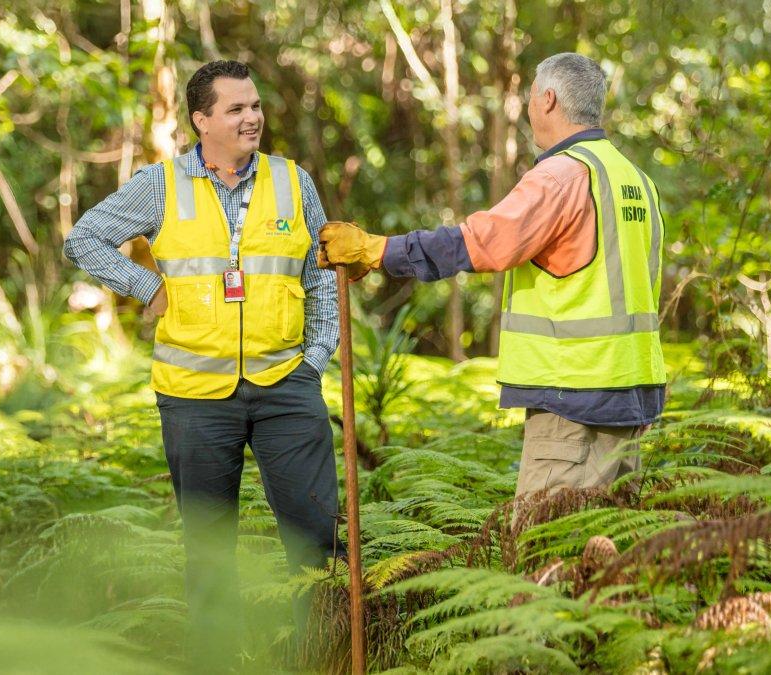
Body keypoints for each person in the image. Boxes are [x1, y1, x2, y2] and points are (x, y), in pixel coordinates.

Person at [63, 60, 341, 642]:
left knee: (315, 537)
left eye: (256, 106)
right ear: (201, 120)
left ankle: (318, 653)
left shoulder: (294, 182)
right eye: (236, 109)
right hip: (193, 399)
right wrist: (148, 286)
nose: (252, 118)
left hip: (286, 385)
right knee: (210, 547)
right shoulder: (161, 184)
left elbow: (319, 276)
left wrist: (316, 358)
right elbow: (83, 237)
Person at [318, 53, 665, 498]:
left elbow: (478, 243)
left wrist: (378, 250)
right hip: (630, 396)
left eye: (530, 98)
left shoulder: (560, 176)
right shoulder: (633, 179)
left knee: (547, 549)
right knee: (605, 550)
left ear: (548, 100)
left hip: (572, 397)